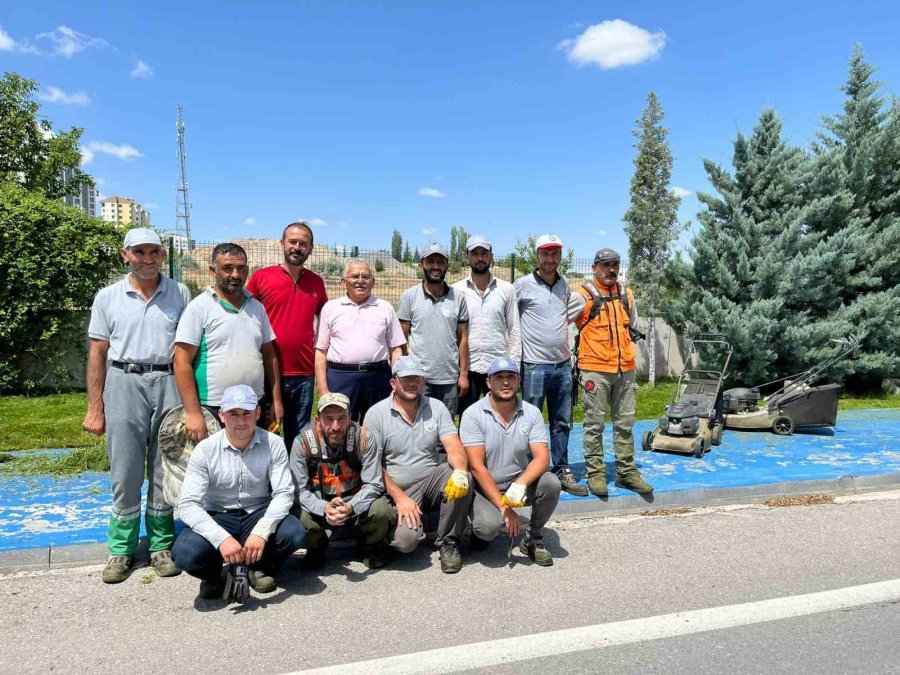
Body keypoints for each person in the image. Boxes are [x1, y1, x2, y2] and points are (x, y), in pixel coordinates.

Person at [83, 227, 192, 584]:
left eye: (154, 252)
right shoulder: (108, 297)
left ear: (163, 255)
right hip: (123, 381)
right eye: (139, 252)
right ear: (124, 254)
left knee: (166, 465)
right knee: (126, 469)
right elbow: (98, 353)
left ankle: (161, 545)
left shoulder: (180, 292)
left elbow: (188, 348)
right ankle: (122, 550)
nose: (147, 259)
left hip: (168, 382)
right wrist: (95, 407)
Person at [172, 384, 305, 600]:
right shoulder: (204, 450)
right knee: (184, 553)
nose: (241, 421)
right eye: (234, 414)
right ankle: (215, 575)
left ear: (258, 413)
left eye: (247, 413)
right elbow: (188, 505)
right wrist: (221, 539)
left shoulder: (275, 443)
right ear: (222, 415)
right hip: (219, 515)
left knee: (294, 533)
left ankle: (259, 566)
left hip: (257, 512)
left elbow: (283, 493)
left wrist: (261, 532)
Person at [363, 356, 472, 574]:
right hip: (396, 488)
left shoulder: (437, 407)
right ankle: (382, 539)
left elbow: (454, 447)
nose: (412, 384)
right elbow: (373, 463)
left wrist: (460, 471)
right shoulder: (376, 414)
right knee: (406, 542)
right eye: (406, 379)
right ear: (394, 383)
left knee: (464, 476)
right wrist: (400, 497)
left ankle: (448, 542)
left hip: (430, 482)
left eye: (417, 379)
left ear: (423, 382)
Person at [174, 242, 283, 441]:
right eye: (227, 268)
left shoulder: (257, 308)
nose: (235, 274)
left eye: (241, 269)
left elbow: (269, 356)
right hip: (213, 408)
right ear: (212, 270)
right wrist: (193, 412)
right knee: (215, 469)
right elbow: (181, 361)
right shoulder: (199, 308)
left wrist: (276, 401)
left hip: (252, 406)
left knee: (252, 467)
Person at [461, 356, 561, 566]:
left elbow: (542, 456)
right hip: (484, 487)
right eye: (499, 377)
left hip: (516, 482)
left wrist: (520, 483)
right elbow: (477, 467)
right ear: (489, 382)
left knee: (551, 482)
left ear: (519, 381)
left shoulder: (531, 412)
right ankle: (479, 532)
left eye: (510, 377)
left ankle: (533, 538)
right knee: (487, 527)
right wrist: (504, 508)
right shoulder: (473, 414)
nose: (505, 382)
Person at [513, 234, 588, 497]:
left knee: (562, 421)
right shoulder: (521, 286)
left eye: (555, 254)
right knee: (529, 421)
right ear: (537, 256)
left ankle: (561, 468)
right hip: (534, 366)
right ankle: (528, 471)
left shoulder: (564, 284)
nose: (550, 259)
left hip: (562, 365)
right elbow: (511, 321)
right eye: (545, 254)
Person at [575, 248, 653, 497]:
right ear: (594, 268)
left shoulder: (626, 295)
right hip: (594, 370)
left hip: (624, 370)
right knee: (593, 425)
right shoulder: (582, 296)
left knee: (625, 424)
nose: (611, 269)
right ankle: (596, 474)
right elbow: (559, 325)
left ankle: (626, 473)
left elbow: (633, 325)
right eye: (605, 264)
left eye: (615, 264)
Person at [247, 222, 327, 450]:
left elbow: (328, 320)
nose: (297, 247)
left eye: (303, 244)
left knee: (299, 436)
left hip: (303, 373)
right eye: (292, 242)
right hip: (265, 372)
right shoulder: (262, 278)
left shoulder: (316, 283)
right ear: (282, 243)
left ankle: (295, 483)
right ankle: (265, 484)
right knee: (263, 434)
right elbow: (245, 315)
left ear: (311, 248)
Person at [289, 392, 392, 570]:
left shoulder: (365, 438)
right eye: (328, 419)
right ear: (318, 419)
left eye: (341, 418)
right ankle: (316, 547)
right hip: (319, 505)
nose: (336, 426)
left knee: (383, 510)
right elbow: (298, 491)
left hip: (355, 502)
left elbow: (375, 484)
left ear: (350, 417)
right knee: (298, 518)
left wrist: (352, 506)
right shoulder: (302, 443)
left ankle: (368, 546)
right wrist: (324, 508)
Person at [314, 259, 405, 422]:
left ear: (373, 282)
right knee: (341, 428)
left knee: (379, 426)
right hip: (341, 378)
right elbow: (321, 351)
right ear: (344, 282)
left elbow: (396, 349)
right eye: (355, 276)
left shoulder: (385, 308)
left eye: (366, 277)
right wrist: (323, 390)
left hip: (378, 377)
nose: (361, 281)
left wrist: (395, 382)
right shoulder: (330, 308)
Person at [451, 235, 521, 418]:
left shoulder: (506, 290)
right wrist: (460, 371)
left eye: (484, 253)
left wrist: (513, 367)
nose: (480, 258)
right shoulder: (456, 290)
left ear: (491, 256)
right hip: (468, 368)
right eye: (475, 253)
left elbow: (514, 329)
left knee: (500, 418)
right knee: (467, 420)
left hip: (497, 366)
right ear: (467, 257)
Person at [397, 243, 469, 418]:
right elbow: (401, 338)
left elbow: (463, 339)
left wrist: (463, 374)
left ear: (447, 266)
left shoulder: (458, 298)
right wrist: (405, 370)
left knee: (447, 428)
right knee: (417, 427)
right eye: (430, 261)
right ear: (422, 264)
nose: (435, 266)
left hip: (449, 379)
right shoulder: (409, 296)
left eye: (440, 261)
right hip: (418, 378)